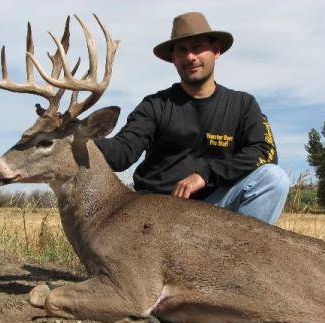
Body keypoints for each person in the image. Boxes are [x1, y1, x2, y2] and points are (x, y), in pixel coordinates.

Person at [94, 12, 289, 225]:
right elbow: (122, 154)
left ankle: (234, 254)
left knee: (274, 179)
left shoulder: (243, 105)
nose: (190, 57)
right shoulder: (155, 105)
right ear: (173, 59)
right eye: (182, 51)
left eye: (197, 47)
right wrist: (76, 138)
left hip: (217, 208)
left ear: (216, 51)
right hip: (160, 212)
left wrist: (205, 175)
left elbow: (264, 152)